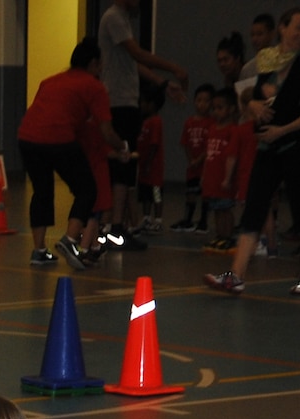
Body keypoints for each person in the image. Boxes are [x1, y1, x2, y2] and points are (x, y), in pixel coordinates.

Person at [204, 7, 300, 297]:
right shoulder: (266, 61)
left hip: (297, 145)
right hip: (267, 147)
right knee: (255, 207)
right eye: (297, 27)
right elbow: (248, 99)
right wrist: (253, 106)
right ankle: (236, 275)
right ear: (282, 29)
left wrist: (282, 130)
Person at [17, 39, 126, 268]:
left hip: (27, 138)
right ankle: (69, 239)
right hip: (57, 138)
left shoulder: (50, 81)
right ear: (94, 63)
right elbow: (105, 130)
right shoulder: (94, 86)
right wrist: (122, 147)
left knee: (42, 191)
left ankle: (39, 251)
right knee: (87, 189)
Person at [97, 0, 189, 247]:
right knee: (121, 163)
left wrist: (162, 83)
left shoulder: (123, 19)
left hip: (125, 101)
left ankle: (116, 227)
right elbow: (137, 54)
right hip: (117, 101)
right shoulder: (114, 17)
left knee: (126, 166)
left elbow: (132, 63)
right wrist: (174, 68)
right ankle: (113, 228)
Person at [200, 88, 244, 250]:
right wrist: (204, 174)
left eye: (220, 108)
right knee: (216, 209)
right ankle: (219, 235)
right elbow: (208, 155)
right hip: (212, 178)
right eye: (214, 108)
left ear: (231, 109)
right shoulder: (212, 129)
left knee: (225, 209)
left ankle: (228, 236)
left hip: (224, 179)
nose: (216, 112)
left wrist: (228, 178)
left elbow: (232, 156)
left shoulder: (233, 130)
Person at [176, 83, 216, 231]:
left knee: (205, 194)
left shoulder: (212, 123)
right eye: (199, 100)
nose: (202, 104)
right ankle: (188, 219)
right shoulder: (189, 122)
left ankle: (203, 221)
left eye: (206, 101)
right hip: (193, 166)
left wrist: (199, 160)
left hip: (205, 167)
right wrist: (191, 160)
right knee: (191, 192)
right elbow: (185, 143)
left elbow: (209, 146)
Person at [135, 85, 169, 233]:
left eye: (143, 102)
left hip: (153, 168)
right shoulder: (144, 121)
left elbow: (154, 144)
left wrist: (148, 162)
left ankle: (158, 220)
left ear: (152, 104)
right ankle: (147, 218)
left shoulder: (155, 121)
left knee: (156, 194)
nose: (141, 105)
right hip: (143, 167)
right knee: (145, 194)